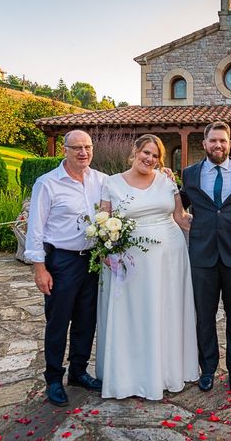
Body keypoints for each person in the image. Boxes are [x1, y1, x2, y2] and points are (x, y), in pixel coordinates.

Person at [96, 134, 198, 400]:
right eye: (146, 153)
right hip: (129, 261)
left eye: (155, 155)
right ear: (135, 151)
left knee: (165, 311)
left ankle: (166, 371)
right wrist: (106, 251)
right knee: (133, 315)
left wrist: (214, 229)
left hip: (169, 259)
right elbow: (103, 220)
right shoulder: (112, 183)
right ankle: (129, 376)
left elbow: (180, 217)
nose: (149, 159)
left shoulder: (167, 182)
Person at [25, 130, 107, 407]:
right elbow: (35, 228)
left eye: (87, 147)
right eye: (77, 148)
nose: (83, 152)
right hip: (61, 261)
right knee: (58, 321)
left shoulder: (102, 181)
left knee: (87, 319)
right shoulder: (47, 183)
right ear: (65, 150)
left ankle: (79, 372)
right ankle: (53, 378)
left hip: (93, 260)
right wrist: (40, 268)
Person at [181, 121, 231, 393]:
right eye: (213, 141)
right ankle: (208, 368)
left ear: (230, 143)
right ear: (204, 144)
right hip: (202, 256)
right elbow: (176, 206)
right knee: (204, 316)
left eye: (222, 141)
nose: (218, 145)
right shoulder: (189, 174)